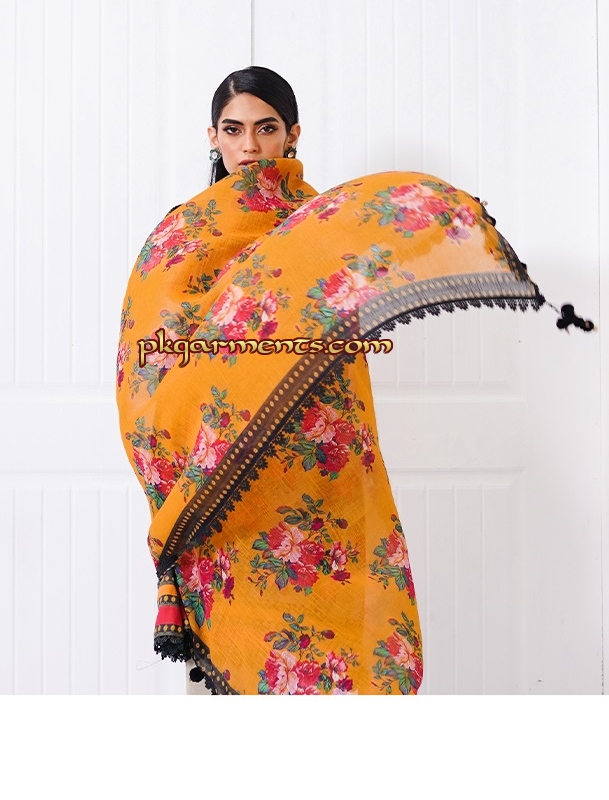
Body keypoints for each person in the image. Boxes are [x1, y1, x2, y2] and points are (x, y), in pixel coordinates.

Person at [116, 65, 544, 695]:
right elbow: (149, 348)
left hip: (318, 440)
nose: (250, 146)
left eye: (266, 128)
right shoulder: (182, 233)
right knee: (238, 610)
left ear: (292, 134)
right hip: (224, 458)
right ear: (212, 136)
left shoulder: (322, 220)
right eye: (233, 130)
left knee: (332, 598)